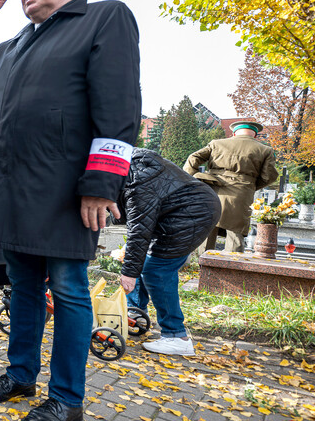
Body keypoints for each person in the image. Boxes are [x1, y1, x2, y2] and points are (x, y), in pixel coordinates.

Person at [0, 0, 142, 421]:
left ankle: (66, 397)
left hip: (63, 190)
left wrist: (101, 185)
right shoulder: (13, 45)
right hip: (11, 190)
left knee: (69, 291)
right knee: (24, 286)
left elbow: (119, 108)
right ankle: (20, 376)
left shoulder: (103, 18)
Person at [118, 149, 220, 357]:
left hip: (191, 213)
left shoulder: (138, 181)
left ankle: (176, 337)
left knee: (157, 270)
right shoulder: (131, 166)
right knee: (145, 261)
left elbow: (139, 229)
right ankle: (135, 315)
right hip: (183, 209)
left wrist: (128, 272)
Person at [184, 121, 278, 252]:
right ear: (255, 135)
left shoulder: (216, 143)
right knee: (235, 232)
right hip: (241, 193)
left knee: (207, 229)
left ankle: (201, 266)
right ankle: (231, 267)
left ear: (234, 133)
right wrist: (250, 186)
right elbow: (270, 176)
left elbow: (193, 158)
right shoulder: (264, 150)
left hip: (212, 189)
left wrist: (194, 179)